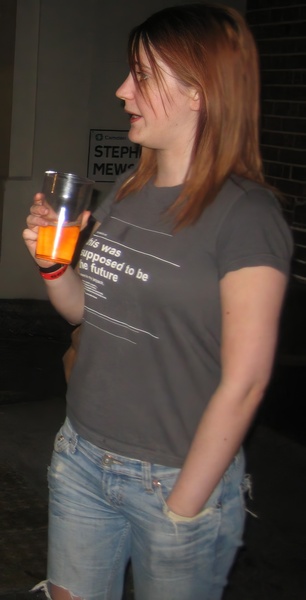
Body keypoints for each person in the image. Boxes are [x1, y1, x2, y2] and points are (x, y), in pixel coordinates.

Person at [23, 3, 293, 599]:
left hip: (174, 476)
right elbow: (85, 314)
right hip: (82, 455)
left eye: (142, 75)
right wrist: (53, 263)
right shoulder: (128, 189)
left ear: (199, 91)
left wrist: (184, 504)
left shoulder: (246, 215)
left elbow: (246, 381)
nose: (123, 91)